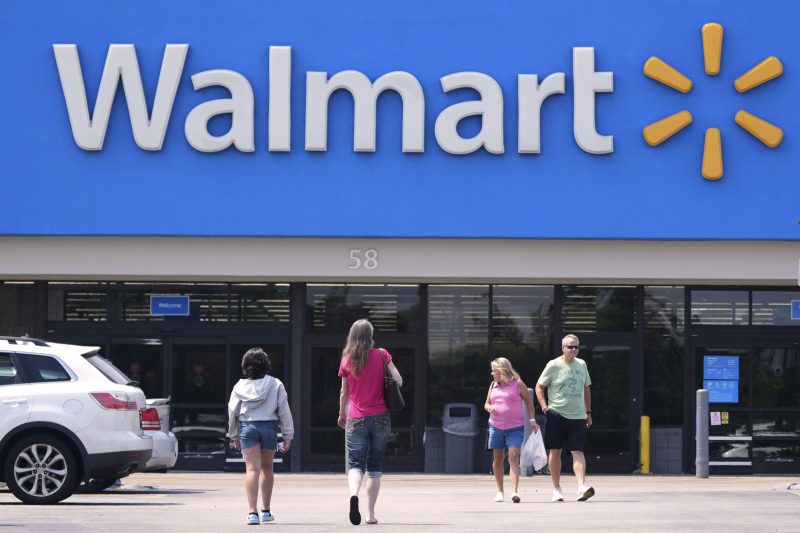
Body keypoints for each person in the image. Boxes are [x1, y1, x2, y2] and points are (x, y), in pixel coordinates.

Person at [337, 319, 403, 526]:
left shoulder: (346, 360)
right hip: (381, 417)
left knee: (355, 464)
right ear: (370, 335)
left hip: (355, 417)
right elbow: (399, 381)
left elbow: (344, 393)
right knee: (374, 466)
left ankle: (353, 496)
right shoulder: (382, 354)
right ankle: (370, 514)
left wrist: (341, 414)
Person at [227, 348, 294, 525]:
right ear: (266, 365)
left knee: (252, 469)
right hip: (269, 427)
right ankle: (266, 511)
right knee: (267, 468)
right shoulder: (276, 384)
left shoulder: (239, 386)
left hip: (248, 428)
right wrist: (287, 435)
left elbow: (232, 412)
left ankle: (252, 513)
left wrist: (234, 434)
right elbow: (284, 411)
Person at [535, 334, 595, 503]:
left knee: (578, 451)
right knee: (555, 451)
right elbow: (539, 387)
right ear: (563, 348)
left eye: (576, 347)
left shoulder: (582, 364)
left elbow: (586, 389)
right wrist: (544, 407)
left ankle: (581, 487)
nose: (574, 350)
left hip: (578, 416)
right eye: (570, 347)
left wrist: (588, 412)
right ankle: (556, 489)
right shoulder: (553, 365)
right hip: (556, 414)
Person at [484, 357, 539, 503]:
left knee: (513, 456)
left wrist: (532, 420)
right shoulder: (493, 385)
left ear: (502, 370)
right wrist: (489, 408)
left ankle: (514, 492)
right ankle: (500, 491)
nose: (492, 373)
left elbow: (529, 403)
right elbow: (486, 403)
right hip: (495, 426)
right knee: (497, 459)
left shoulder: (517, 383)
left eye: (494, 370)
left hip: (515, 427)